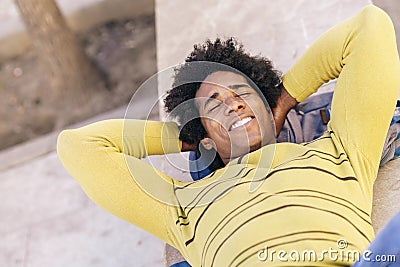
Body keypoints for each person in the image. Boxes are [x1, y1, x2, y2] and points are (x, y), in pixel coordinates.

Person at [58, 5, 400, 266]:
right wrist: (186, 136)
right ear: (205, 138)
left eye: (242, 93)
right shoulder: (183, 206)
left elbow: (369, 26)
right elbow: (79, 147)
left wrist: (284, 98)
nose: (234, 105)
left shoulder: (339, 152)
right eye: (214, 105)